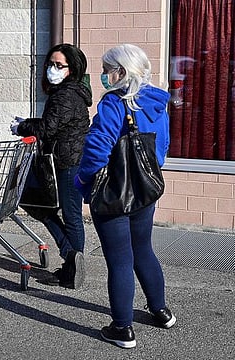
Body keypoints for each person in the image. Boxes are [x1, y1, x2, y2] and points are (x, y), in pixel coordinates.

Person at [74, 44, 176, 349]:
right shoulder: (156, 103)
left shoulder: (114, 104)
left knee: (119, 260)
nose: (105, 75)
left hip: (114, 192)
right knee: (143, 250)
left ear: (122, 71)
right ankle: (161, 311)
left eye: (107, 69)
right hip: (146, 189)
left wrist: (83, 180)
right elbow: (163, 147)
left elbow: (96, 149)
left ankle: (122, 328)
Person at [11, 43, 92, 289]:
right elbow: (55, 123)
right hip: (62, 161)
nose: (52, 69)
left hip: (67, 164)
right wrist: (28, 122)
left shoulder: (66, 94)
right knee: (41, 205)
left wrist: (22, 127)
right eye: (50, 64)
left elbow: (48, 128)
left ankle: (71, 264)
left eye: (59, 65)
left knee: (69, 215)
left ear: (72, 68)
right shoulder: (68, 93)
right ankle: (71, 262)